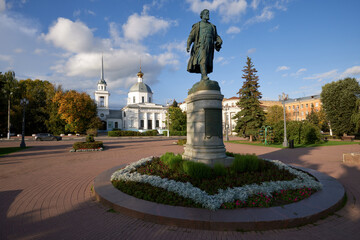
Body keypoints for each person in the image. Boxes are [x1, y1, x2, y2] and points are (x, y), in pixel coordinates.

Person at [187, 9, 222, 81]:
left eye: (208, 13)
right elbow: (191, 36)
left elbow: (216, 36)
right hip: (201, 44)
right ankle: (204, 75)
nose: (208, 15)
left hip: (210, 45)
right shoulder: (197, 25)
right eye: (206, 13)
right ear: (202, 15)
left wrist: (219, 40)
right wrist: (188, 45)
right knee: (203, 59)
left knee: (207, 62)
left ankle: (203, 77)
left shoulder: (212, 26)